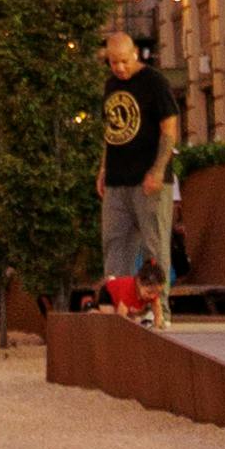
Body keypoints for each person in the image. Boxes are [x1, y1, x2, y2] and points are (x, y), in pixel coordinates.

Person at [95, 29, 179, 312]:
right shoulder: (110, 86)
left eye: (123, 61)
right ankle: (118, 304)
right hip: (118, 180)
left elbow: (169, 129)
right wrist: (104, 167)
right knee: (115, 243)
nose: (119, 68)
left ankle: (160, 308)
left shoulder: (154, 82)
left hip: (149, 180)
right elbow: (112, 130)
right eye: (113, 62)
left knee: (154, 247)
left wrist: (158, 170)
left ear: (135, 54)